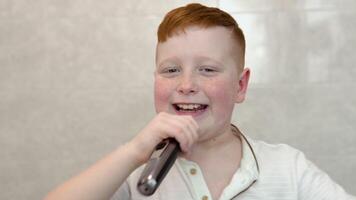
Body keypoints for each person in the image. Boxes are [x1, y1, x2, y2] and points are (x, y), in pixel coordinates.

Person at [45, 3, 355, 200]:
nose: (187, 85)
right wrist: (132, 153)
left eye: (207, 70)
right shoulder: (137, 176)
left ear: (240, 85)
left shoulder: (288, 169)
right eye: (171, 70)